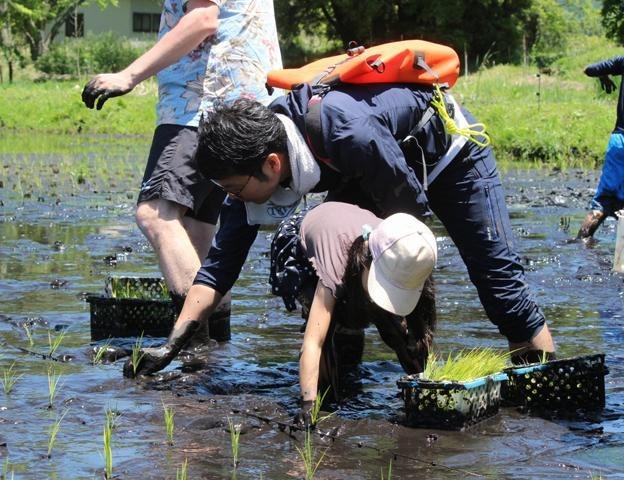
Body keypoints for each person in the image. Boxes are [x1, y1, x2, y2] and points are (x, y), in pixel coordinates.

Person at [124, 81, 556, 378]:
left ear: (271, 166)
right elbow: (219, 267)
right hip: (369, 171)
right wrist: (171, 346)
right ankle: (342, 388)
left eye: (236, 190)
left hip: (451, 157)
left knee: (497, 280)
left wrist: (401, 324)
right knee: (330, 270)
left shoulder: (344, 131)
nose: (233, 200)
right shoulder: (249, 167)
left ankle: (540, 382)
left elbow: (407, 229)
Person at [81, 0, 282, 341]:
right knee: (196, 230)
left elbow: (204, 18)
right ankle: (215, 353)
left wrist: (128, 75)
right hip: (243, 105)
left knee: (156, 214)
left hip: (200, 105)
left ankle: (194, 347)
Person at [269, 202, 436, 422]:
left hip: (354, 244)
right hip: (302, 245)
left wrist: (430, 387)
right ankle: (326, 397)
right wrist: (308, 407)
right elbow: (313, 342)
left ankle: (414, 389)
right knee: (329, 331)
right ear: (367, 264)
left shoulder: (411, 254)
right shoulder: (335, 264)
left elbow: (419, 332)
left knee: (393, 328)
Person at [578, 56, 624, 239]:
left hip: (619, 141)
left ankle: (582, 247)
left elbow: (590, 69)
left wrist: (604, 76)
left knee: (602, 204)